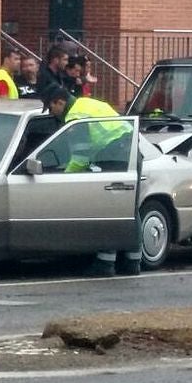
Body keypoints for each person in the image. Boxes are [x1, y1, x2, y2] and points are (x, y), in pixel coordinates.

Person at [41, 84, 141, 277]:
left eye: (51, 108)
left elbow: (80, 158)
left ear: (60, 102)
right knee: (129, 209)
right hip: (131, 151)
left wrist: (65, 177)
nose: (52, 113)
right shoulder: (86, 103)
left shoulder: (75, 118)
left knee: (108, 207)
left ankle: (105, 264)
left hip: (114, 154)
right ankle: (132, 262)